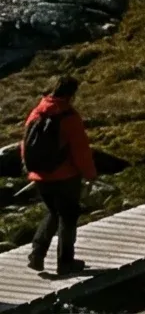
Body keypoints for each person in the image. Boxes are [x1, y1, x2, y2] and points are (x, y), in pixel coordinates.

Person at [20, 75, 96, 278]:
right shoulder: (69, 116)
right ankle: (65, 263)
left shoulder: (37, 111)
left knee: (53, 212)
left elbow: (26, 143)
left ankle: (37, 254)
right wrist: (90, 174)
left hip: (40, 176)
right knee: (68, 217)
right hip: (65, 176)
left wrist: (31, 170)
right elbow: (80, 149)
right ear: (71, 94)